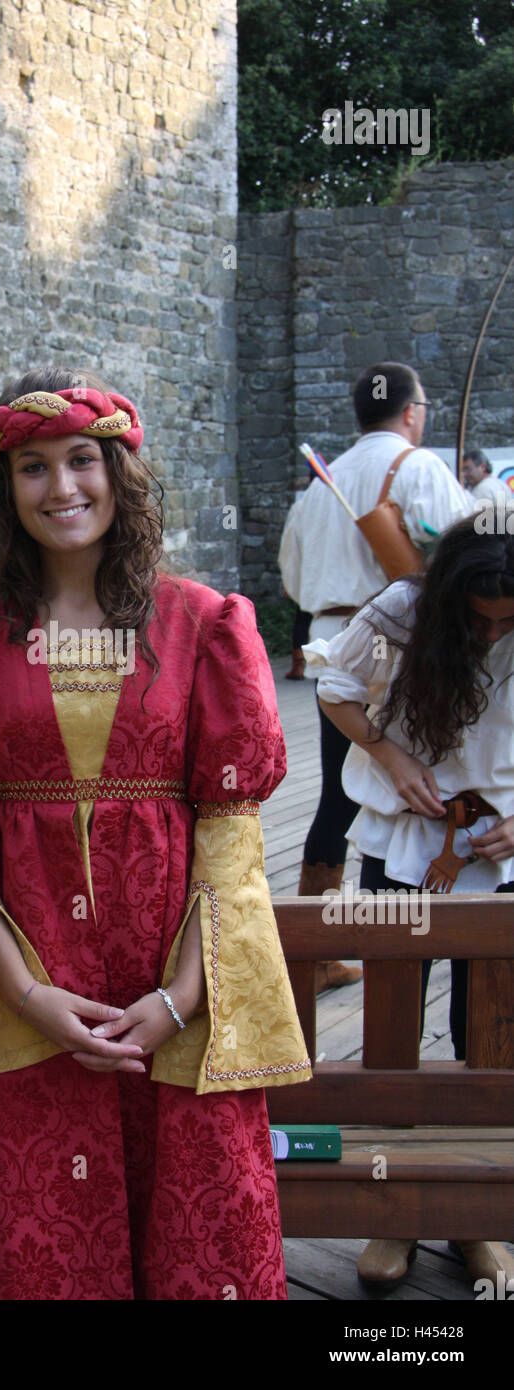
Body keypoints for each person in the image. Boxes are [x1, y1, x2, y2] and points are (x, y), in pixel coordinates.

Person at [0, 366, 312, 1301]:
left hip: (173, 981)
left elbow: (230, 838)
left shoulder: (203, 624)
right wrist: (27, 994)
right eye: (33, 468)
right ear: (7, 491)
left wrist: (178, 999)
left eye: (81, 459)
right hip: (30, 980)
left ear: (119, 471)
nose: (61, 488)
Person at [307, 514, 514, 1292]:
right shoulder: (402, 610)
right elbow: (333, 686)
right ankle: (393, 1216)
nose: (492, 633)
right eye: (478, 617)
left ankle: (478, 1219)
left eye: (508, 619)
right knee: (394, 1029)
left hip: (500, 853)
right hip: (405, 844)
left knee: (486, 1034)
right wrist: (389, 755)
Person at [278, 361, 476, 993]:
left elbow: (290, 575)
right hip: (406, 646)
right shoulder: (418, 468)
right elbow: (468, 563)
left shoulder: (321, 483)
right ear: (413, 413)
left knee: (340, 793)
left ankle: (317, 954)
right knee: (426, 787)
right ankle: (442, 929)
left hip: (331, 643)